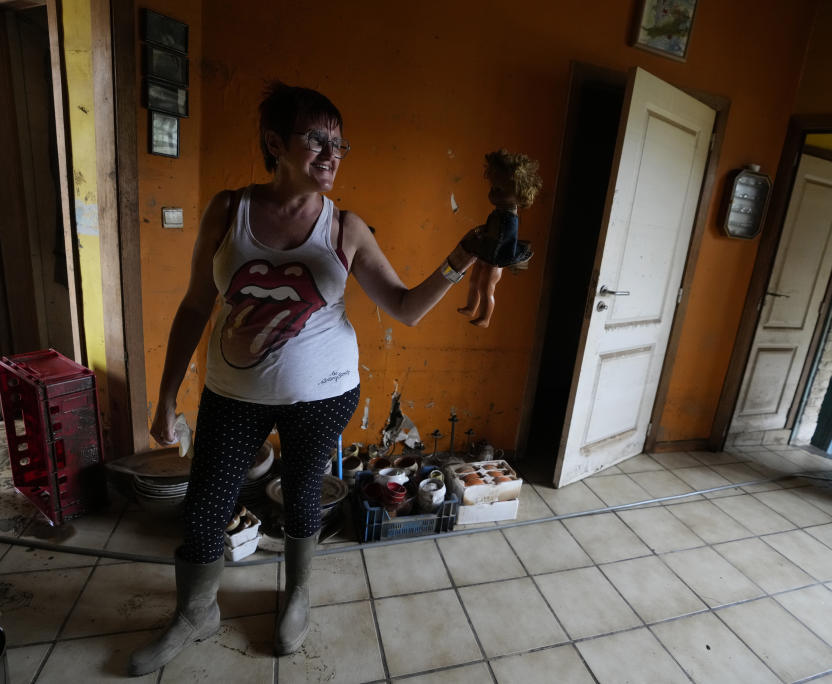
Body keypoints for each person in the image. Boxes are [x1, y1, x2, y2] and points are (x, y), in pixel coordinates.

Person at [129, 82, 477, 675]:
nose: (332, 153)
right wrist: (165, 397)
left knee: (301, 497)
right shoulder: (227, 210)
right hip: (230, 393)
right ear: (274, 143)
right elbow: (194, 306)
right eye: (317, 138)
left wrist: (465, 254)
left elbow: (406, 306)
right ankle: (195, 612)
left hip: (323, 392)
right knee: (207, 504)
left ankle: (295, 594)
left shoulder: (346, 228)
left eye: (340, 143)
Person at [458, 149, 541, 327]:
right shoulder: (499, 212)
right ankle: (471, 307)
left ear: (519, 194)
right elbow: (492, 229)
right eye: (493, 187)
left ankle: (485, 318)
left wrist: (495, 257)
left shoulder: (510, 219)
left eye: (499, 189)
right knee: (474, 281)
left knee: (486, 287)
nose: (493, 193)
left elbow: (506, 241)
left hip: (496, 257)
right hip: (486, 251)